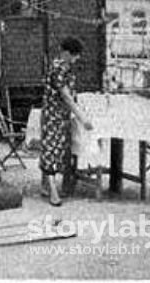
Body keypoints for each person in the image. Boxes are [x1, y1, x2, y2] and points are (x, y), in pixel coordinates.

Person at [40, 37, 93, 206]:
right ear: (67, 54)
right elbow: (67, 97)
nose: (77, 59)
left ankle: (46, 186)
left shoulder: (66, 69)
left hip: (61, 116)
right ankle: (53, 192)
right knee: (51, 151)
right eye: (75, 55)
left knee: (56, 150)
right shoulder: (58, 70)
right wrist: (82, 118)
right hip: (53, 116)